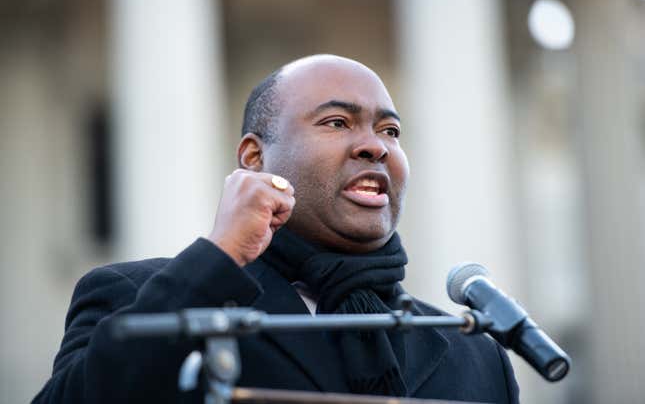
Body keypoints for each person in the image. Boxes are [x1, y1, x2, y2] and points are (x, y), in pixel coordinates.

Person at [33, 55, 519, 403]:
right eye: (336, 122)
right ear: (254, 157)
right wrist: (219, 256)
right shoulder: (139, 297)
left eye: (390, 131)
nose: (376, 147)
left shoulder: (473, 354)